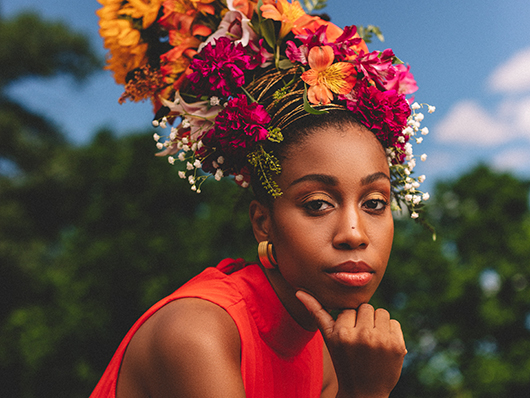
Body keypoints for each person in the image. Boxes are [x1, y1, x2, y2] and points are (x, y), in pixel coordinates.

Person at [93, 1, 434, 397]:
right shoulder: (197, 333)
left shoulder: (327, 352)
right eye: (318, 204)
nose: (354, 234)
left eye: (374, 203)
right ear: (262, 222)